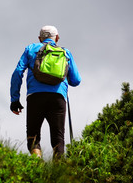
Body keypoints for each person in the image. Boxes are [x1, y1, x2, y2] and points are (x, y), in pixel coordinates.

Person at [10, 25, 81, 159]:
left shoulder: (31, 49)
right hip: (58, 98)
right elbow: (76, 80)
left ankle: (37, 166)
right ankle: (57, 172)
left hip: (35, 97)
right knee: (58, 138)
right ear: (57, 38)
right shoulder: (65, 52)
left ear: (40, 38)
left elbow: (17, 73)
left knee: (33, 136)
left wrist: (15, 99)